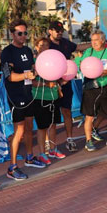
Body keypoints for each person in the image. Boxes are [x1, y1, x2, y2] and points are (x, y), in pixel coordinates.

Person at [0, 19, 45, 180]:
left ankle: (30, 157)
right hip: (15, 96)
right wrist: (26, 75)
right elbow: (8, 76)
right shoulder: (7, 52)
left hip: (28, 94)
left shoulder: (27, 50)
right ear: (13, 34)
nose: (23, 36)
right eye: (20, 33)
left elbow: (32, 70)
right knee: (18, 131)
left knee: (28, 128)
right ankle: (12, 167)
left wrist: (36, 75)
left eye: (25, 33)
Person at [48, 21, 91, 152]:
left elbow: (78, 47)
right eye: (56, 30)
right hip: (51, 85)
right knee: (51, 116)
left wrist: (94, 43)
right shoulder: (46, 44)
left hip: (66, 83)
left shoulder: (66, 43)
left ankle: (70, 139)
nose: (59, 32)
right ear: (50, 31)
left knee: (67, 111)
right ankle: (50, 144)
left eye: (61, 30)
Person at [80, 30, 107, 151]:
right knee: (89, 115)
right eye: (92, 40)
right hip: (91, 87)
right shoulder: (88, 52)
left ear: (103, 40)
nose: (94, 43)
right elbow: (82, 66)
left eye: (96, 40)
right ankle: (88, 141)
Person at [32, 37, 65, 166]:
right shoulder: (33, 63)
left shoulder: (54, 60)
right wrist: (46, 85)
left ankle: (52, 149)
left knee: (53, 125)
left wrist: (61, 83)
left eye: (46, 45)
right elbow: (31, 82)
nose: (43, 47)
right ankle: (42, 153)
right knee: (42, 128)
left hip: (54, 97)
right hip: (39, 98)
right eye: (40, 45)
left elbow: (58, 77)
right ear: (36, 47)